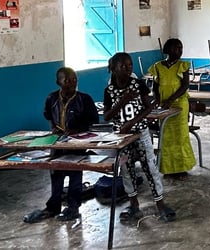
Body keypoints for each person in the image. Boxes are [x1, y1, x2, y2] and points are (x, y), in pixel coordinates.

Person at [104, 52, 175, 222]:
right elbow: (107, 116)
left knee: (150, 167)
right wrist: (122, 100)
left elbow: (149, 107)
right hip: (122, 137)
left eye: (130, 65)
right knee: (126, 170)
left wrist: (133, 122)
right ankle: (133, 204)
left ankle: (160, 204)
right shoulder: (109, 90)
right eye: (123, 66)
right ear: (114, 69)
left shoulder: (138, 84)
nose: (128, 69)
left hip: (140, 133)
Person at [23, 67, 98, 223]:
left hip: (77, 143)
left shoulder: (84, 99)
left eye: (74, 79)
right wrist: (54, 129)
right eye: (67, 80)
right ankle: (53, 207)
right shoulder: (52, 98)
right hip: (58, 142)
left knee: (75, 175)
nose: (72, 83)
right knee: (56, 173)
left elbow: (92, 121)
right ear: (59, 82)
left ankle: (73, 208)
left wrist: (77, 130)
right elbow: (49, 116)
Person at [148, 38, 196, 180]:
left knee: (180, 136)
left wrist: (171, 100)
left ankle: (181, 169)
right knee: (165, 137)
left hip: (179, 104)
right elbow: (155, 86)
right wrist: (157, 99)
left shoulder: (183, 65)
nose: (180, 51)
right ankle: (167, 169)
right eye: (176, 48)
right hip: (164, 105)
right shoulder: (157, 66)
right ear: (168, 50)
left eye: (181, 48)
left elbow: (184, 86)